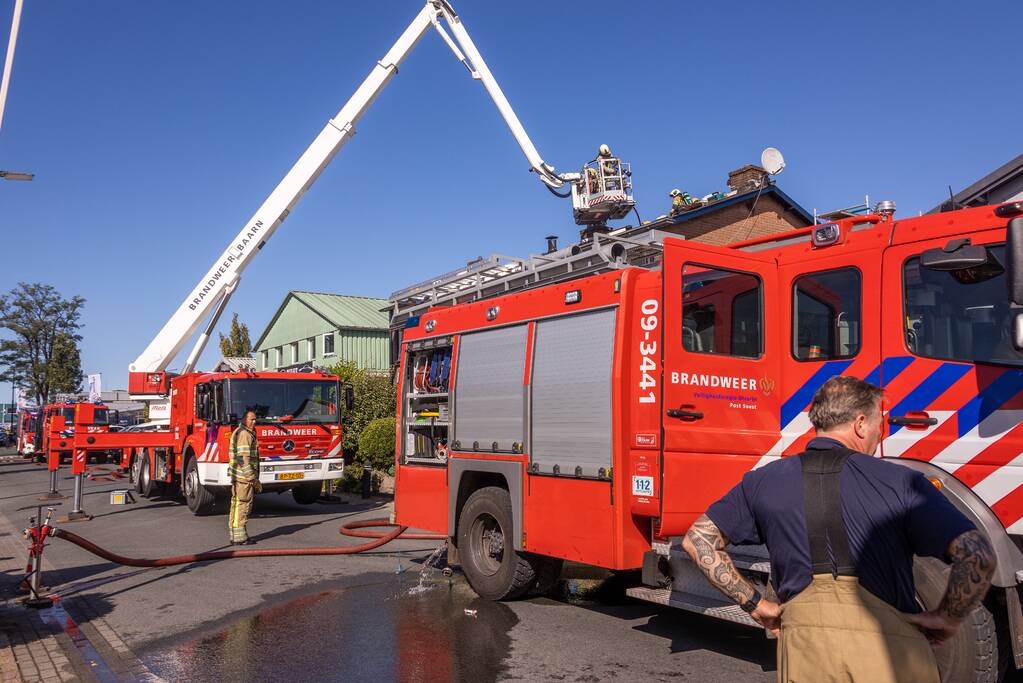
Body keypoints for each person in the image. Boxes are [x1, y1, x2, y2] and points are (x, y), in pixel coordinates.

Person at [682, 376, 996, 682]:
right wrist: (948, 617)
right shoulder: (902, 482)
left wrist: (755, 604)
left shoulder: (763, 480)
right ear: (860, 423)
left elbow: (698, 541)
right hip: (890, 655)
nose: (878, 434)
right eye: (878, 424)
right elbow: (978, 555)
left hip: (805, 654)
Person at [228, 409, 262, 545]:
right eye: (251, 419)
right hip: (244, 478)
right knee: (243, 505)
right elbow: (243, 459)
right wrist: (252, 479)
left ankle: (236, 535)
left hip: (239, 476)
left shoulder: (241, 432)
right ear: (244, 419)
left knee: (236, 505)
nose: (254, 422)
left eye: (255, 420)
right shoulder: (244, 434)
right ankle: (240, 537)